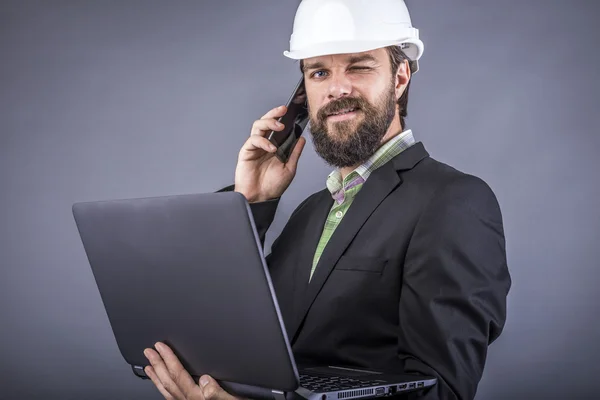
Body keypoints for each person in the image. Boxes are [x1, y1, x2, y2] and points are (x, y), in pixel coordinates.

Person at [143, 0, 511, 399]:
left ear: (400, 76)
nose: (337, 88)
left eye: (359, 66)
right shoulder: (310, 214)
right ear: (305, 93)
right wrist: (250, 203)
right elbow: (216, 327)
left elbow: (442, 392)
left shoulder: (453, 202)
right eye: (319, 72)